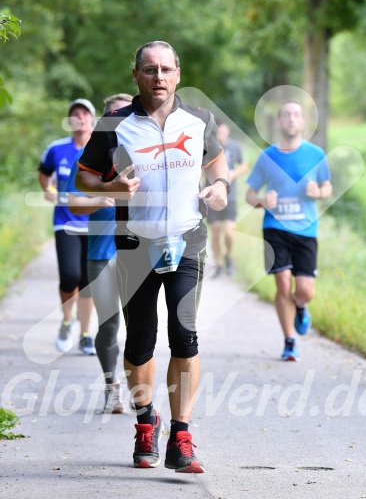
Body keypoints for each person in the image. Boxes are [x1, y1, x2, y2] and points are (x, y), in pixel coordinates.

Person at [75, 40, 229, 473]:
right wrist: (110, 189)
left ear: (178, 73)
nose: (158, 77)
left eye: (165, 69)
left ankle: (181, 435)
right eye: (149, 69)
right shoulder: (114, 125)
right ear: (135, 75)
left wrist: (221, 189)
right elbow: (83, 178)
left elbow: (218, 167)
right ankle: (147, 422)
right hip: (134, 246)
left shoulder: (199, 120)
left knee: (185, 336)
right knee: (140, 343)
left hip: (187, 241)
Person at [246, 100, 332, 361]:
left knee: (305, 290)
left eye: (296, 115)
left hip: (306, 230)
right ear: (280, 122)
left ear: (303, 122)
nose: (292, 119)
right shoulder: (267, 156)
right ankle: (289, 341)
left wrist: (318, 192)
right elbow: (250, 194)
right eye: (286, 115)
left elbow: (327, 187)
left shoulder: (316, 154)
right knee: (283, 282)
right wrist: (262, 202)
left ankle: (301, 305)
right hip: (275, 228)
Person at [67, 93, 133, 413]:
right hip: (102, 252)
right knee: (109, 324)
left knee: (141, 324)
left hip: (139, 253)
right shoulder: (89, 158)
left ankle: (140, 387)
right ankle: (112, 385)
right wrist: (104, 197)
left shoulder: (143, 154)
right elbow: (72, 203)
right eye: (112, 114)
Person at [38, 98, 97, 356]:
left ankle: (85, 334)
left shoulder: (102, 149)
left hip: (94, 224)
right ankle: (66, 320)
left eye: (85, 113)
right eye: (75, 113)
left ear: (92, 120)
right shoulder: (56, 149)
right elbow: (43, 173)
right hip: (65, 222)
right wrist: (48, 190)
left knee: (87, 283)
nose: (80, 117)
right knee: (70, 276)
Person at [207, 121, 247, 277]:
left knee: (229, 232)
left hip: (230, 196)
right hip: (212, 196)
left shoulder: (235, 147)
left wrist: (233, 174)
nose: (220, 135)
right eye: (218, 133)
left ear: (228, 131)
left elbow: (244, 165)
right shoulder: (208, 147)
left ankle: (228, 257)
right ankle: (218, 265)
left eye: (223, 132)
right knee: (215, 231)